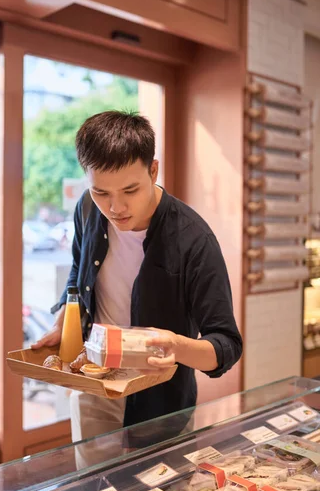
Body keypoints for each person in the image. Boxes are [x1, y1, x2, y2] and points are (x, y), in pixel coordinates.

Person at [32, 111, 242, 451]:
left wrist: (175, 346)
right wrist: (66, 317)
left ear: (154, 170)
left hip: (160, 404)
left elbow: (227, 345)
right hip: (93, 386)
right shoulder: (87, 209)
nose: (116, 208)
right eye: (102, 192)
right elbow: (78, 269)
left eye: (130, 190)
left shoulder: (193, 239)